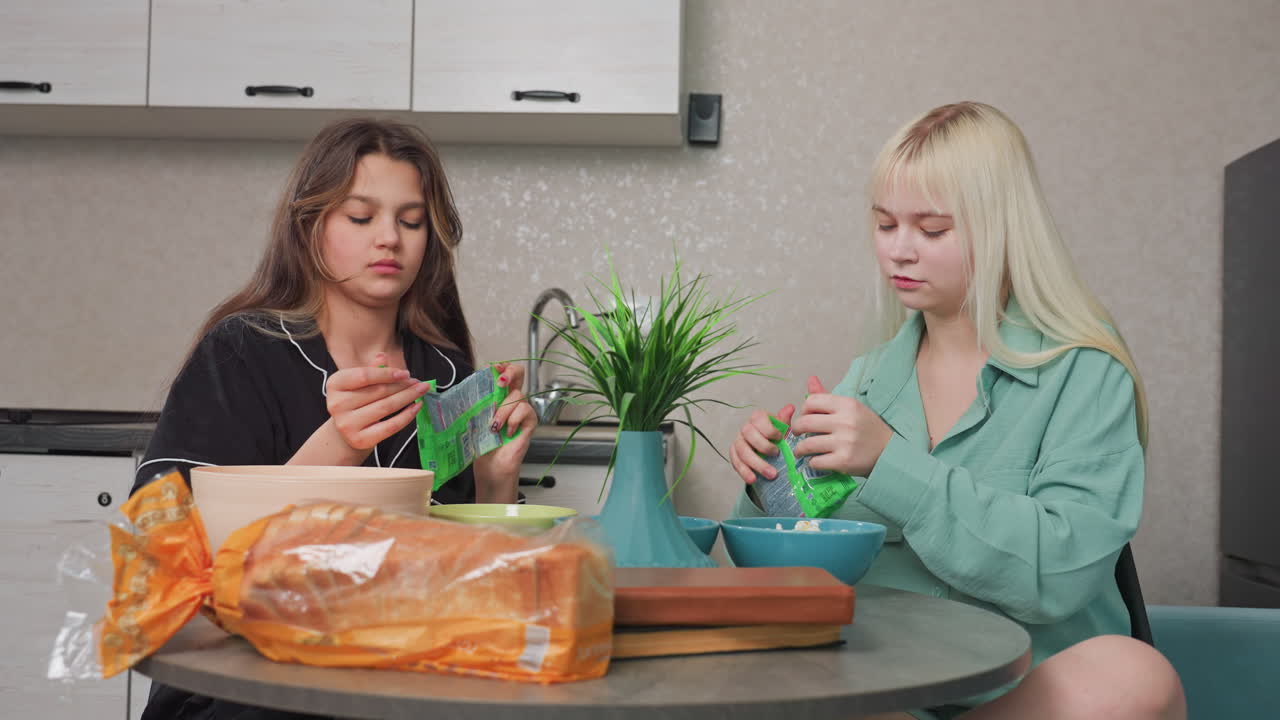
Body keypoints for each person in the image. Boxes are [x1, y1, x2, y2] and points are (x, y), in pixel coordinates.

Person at [728, 102, 1186, 720]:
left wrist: (891, 464)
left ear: (1002, 227)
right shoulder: (866, 380)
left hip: (1025, 698)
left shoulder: (1084, 369)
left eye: (932, 230)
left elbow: (1061, 570)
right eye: (886, 225)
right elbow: (799, 579)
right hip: (890, 694)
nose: (899, 252)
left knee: (1134, 677)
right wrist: (769, 486)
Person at [133, 117, 537, 720]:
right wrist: (335, 450)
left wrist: (495, 480)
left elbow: (475, 584)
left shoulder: (446, 375)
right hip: (247, 684)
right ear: (310, 226)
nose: (389, 240)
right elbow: (168, 556)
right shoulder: (243, 352)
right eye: (360, 217)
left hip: (398, 680)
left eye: (410, 221)